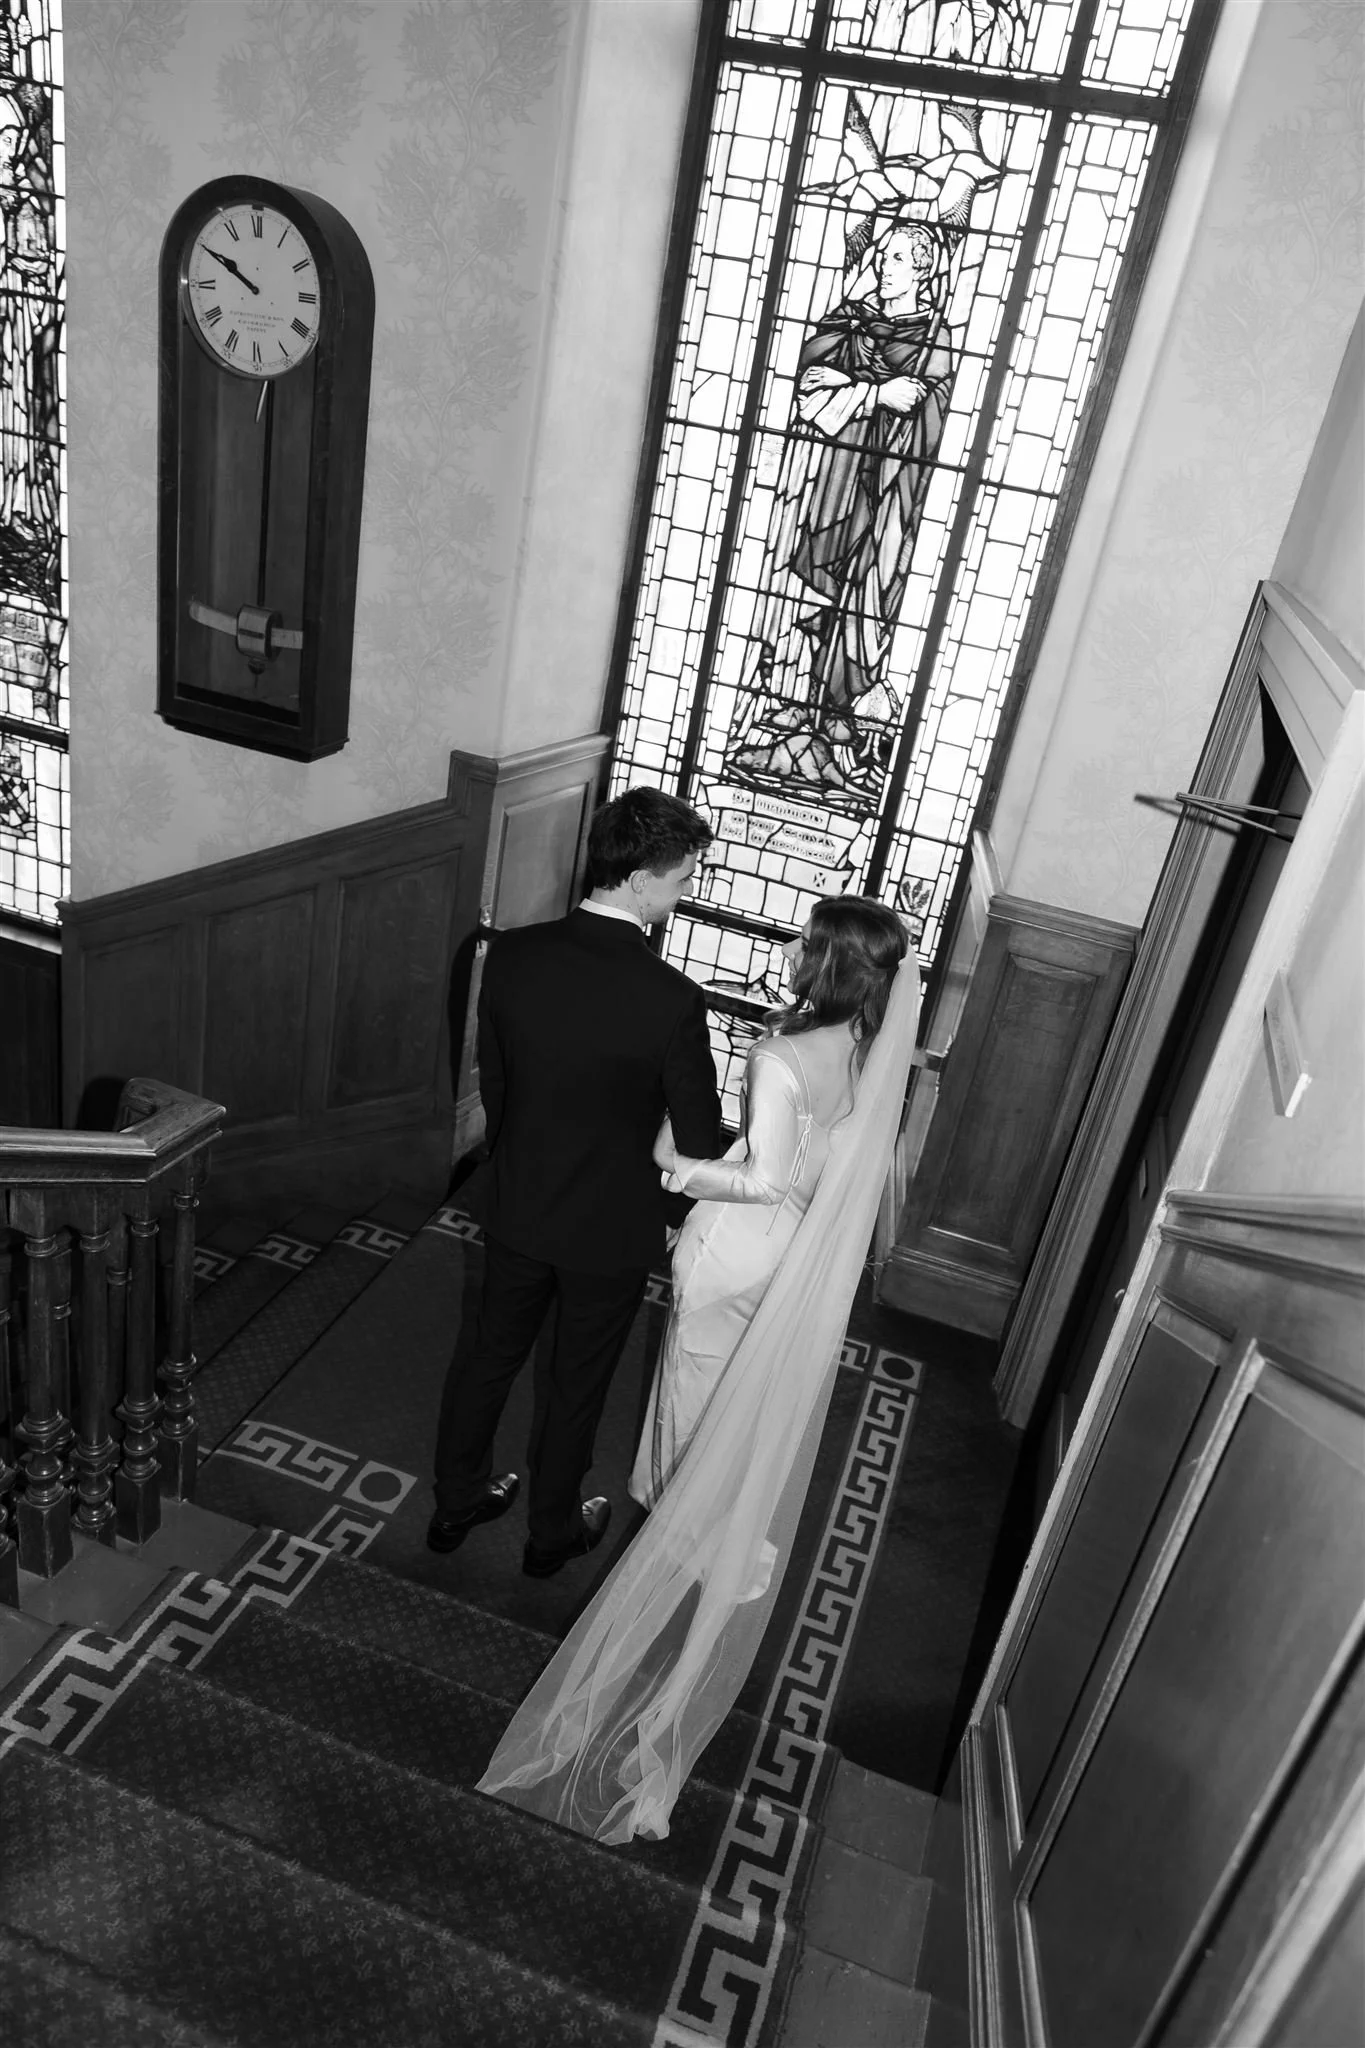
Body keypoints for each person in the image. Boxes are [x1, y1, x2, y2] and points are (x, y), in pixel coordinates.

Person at [478, 897, 921, 1842]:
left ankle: (687, 1522)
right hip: (794, 1258)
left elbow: (758, 1175)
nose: (794, 949)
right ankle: (729, 1525)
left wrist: (676, 1163)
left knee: (692, 1389)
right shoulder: (868, 1050)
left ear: (827, 961)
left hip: (736, 1248)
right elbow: (814, 1173)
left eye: (806, 940)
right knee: (741, 1400)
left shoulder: (779, 1055)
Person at [428, 786, 723, 1579]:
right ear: (638, 881)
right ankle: (550, 1532)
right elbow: (697, 1139)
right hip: (610, 1226)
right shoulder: (672, 999)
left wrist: (523, 1160)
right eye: (681, 877)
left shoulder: (514, 956)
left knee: (487, 1357)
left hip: (519, 1198)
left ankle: (455, 1500)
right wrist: (664, 1210)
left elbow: (498, 1086)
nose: (684, 891)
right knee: (577, 1381)